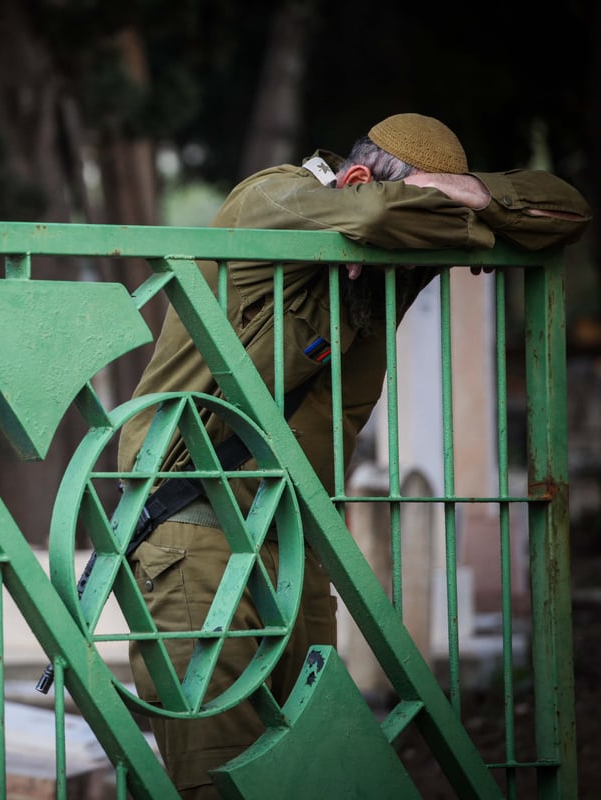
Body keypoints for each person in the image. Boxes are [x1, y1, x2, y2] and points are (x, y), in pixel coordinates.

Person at [115, 113, 591, 798]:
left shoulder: (384, 258)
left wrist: (475, 198)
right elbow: (370, 225)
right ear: (360, 179)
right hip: (195, 533)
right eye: (426, 206)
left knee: (309, 775)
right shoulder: (273, 198)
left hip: (298, 542)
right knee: (215, 778)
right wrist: (459, 222)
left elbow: (566, 212)